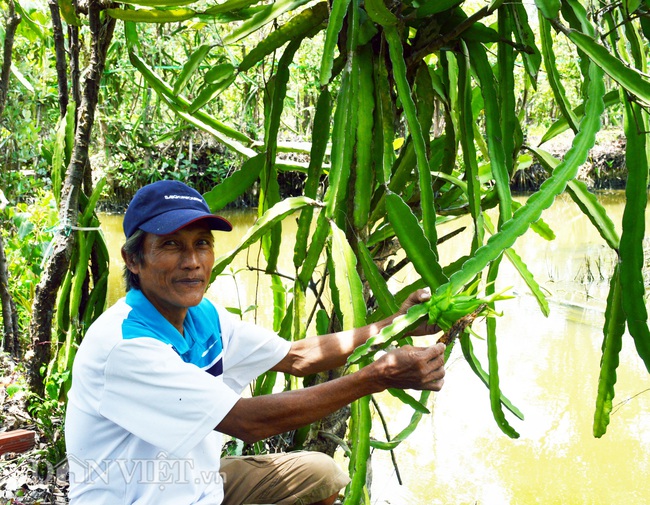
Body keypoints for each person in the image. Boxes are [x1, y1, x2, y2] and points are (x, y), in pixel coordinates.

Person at [65, 180, 446, 505]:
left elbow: (298, 356)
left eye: (202, 243)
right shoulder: (126, 345)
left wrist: (396, 324)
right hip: (140, 495)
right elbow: (248, 422)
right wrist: (376, 376)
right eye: (171, 245)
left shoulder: (201, 316)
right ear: (133, 259)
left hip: (199, 484)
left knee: (319, 474)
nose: (193, 261)